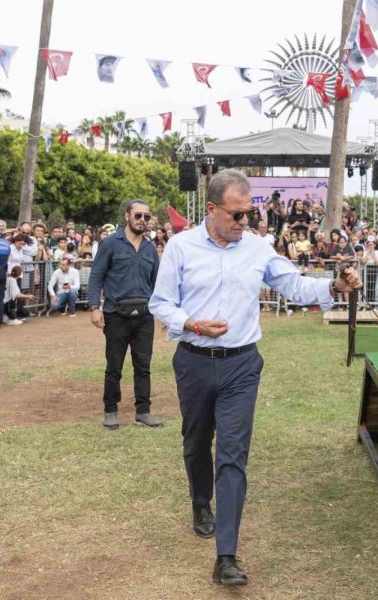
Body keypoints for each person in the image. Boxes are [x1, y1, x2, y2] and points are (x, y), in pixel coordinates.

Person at [148, 170, 362, 587]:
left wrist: (334, 287)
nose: (246, 222)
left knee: (232, 455)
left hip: (242, 365)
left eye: (250, 214)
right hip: (193, 360)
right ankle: (199, 502)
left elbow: (294, 286)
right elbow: (161, 302)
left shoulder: (258, 248)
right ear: (211, 210)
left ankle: (225, 554)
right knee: (196, 442)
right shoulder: (180, 247)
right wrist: (191, 324)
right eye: (237, 214)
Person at [88, 200, 163, 430]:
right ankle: (110, 410)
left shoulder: (151, 249)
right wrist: (94, 307)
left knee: (143, 366)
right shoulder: (110, 244)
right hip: (115, 315)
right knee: (114, 366)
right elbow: (95, 277)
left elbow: (158, 285)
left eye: (146, 217)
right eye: (138, 215)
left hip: (144, 316)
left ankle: (143, 411)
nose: (143, 220)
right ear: (127, 216)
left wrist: (166, 313)